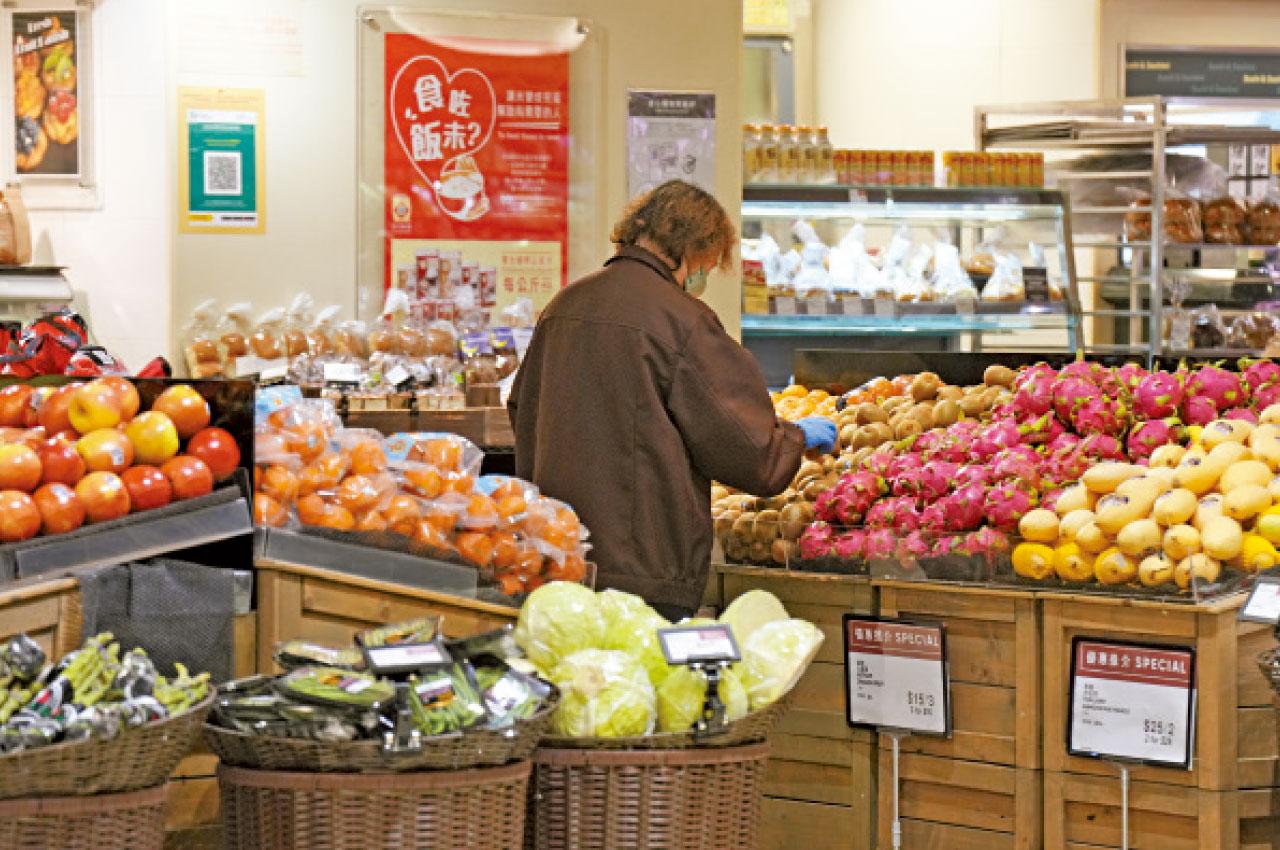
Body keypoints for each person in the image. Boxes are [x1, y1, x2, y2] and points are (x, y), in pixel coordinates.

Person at [508, 180, 836, 620]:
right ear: (693, 248)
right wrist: (793, 440)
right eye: (709, 262)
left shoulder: (563, 306)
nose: (705, 275)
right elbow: (745, 445)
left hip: (558, 557)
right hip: (645, 569)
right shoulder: (681, 320)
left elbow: (522, 408)